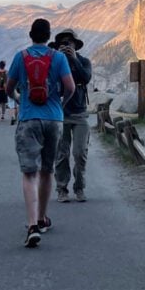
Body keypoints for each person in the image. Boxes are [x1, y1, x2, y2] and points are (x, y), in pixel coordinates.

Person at [6, 18, 75, 248]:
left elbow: (9, 87)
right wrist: (60, 107)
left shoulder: (21, 57)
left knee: (29, 173)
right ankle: (43, 219)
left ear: (30, 34)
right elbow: (71, 87)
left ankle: (32, 225)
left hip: (28, 118)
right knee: (47, 170)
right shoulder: (59, 57)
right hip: (54, 119)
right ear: (49, 36)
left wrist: (19, 98)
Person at [52, 28, 92, 203]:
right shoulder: (54, 62)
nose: (66, 45)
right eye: (63, 43)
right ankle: (62, 189)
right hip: (60, 114)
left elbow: (86, 78)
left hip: (80, 113)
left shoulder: (83, 61)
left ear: (75, 45)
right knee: (61, 154)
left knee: (80, 152)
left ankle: (80, 187)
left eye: (69, 42)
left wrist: (74, 60)